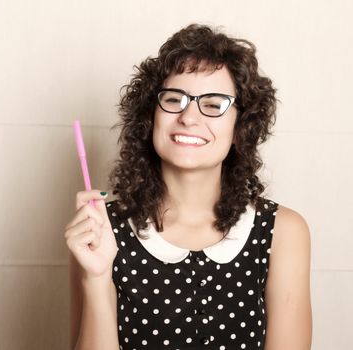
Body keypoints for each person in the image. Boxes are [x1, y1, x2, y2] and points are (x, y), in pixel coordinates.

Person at [64, 24, 312, 350]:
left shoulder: (284, 231)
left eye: (213, 104)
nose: (189, 117)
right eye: (174, 99)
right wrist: (96, 278)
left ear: (242, 126)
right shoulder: (99, 230)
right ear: (150, 117)